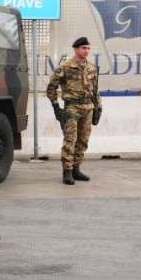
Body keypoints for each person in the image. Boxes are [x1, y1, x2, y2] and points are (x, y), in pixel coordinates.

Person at [46, 36, 103, 185]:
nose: (86, 51)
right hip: (72, 108)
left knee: (83, 140)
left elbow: (95, 90)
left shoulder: (91, 68)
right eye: (84, 48)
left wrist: (99, 106)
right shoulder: (65, 67)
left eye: (88, 48)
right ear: (76, 49)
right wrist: (56, 107)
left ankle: (76, 168)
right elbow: (51, 87)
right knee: (70, 140)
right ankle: (67, 171)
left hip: (88, 108)